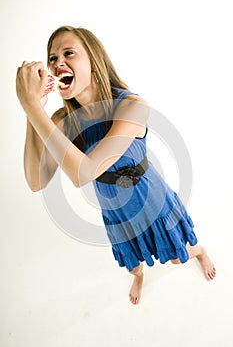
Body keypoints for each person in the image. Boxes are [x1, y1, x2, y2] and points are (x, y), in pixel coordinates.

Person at [16, 26, 216, 305]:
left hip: (151, 200)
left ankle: (201, 251)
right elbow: (36, 182)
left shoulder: (132, 105)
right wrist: (32, 110)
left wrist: (32, 107)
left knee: (175, 254)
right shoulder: (63, 120)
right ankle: (139, 275)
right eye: (52, 58)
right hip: (116, 212)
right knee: (131, 264)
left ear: (94, 61)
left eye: (68, 53)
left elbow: (82, 173)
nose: (57, 62)